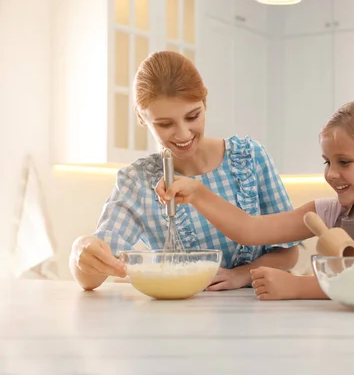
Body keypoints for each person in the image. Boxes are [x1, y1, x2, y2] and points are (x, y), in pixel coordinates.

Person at [155, 99, 354, 300]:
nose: (332, 173)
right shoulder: (329, 212)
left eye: (344, 162)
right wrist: (198, 194)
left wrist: (298, 286)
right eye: (327, 162)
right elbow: (251, 230)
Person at [70, 51, 299, 291]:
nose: (183, 134)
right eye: (165, 124)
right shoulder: (137, 181)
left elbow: (288, 252)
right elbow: (91, 275)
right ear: (141, 117)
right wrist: (81, 249)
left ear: (205, 102)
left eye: (193, 116)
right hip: (181, 316)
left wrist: (240, 276)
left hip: (260, 306)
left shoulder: (250, 158)